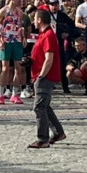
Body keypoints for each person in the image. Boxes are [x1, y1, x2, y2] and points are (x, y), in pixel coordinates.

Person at [28, 9, 66, 149]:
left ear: (39, 20)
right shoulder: (43, 35)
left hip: (45, 77)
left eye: (35, 19)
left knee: (39, 107)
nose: (33, 21)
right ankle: (58, 133)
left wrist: (41, 75)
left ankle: (42, 139)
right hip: (41, 74)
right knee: (45, 107)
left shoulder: (48, 35)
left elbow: (49, 58)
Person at [0, 0, 27, 105]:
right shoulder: (3, 11)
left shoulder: (19, 12)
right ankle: (1, 94)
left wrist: (23, 38)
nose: (20, 1)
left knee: (19, 67)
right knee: (5, 68)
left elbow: (19, 27)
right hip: (6, 41)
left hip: (16, 41)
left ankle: (15, 94)